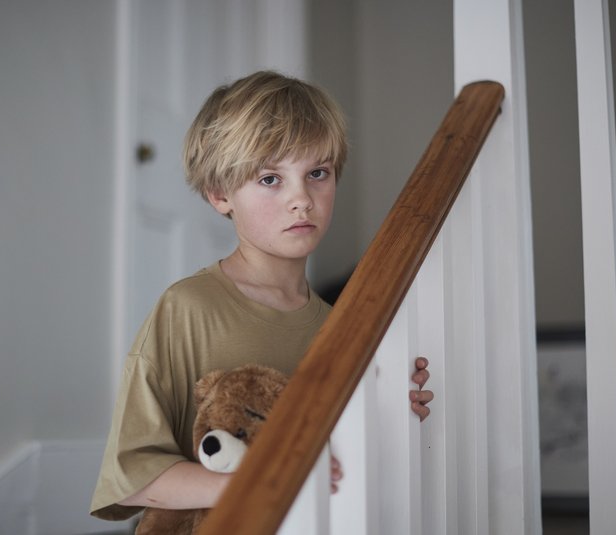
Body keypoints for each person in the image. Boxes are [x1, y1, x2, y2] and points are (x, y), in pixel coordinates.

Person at [90, 70, 434, 521]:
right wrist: (265, 481)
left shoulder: (344, 326)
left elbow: (345, 465)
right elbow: (135, 478)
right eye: (270, 179)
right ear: (219, 194)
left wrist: (397, 411)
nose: (302, 199)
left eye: (318, 173)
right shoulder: (188, 309)